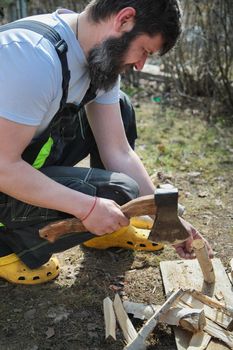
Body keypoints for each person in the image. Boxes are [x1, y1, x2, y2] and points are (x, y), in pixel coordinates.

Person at [0, 0, 213, 284]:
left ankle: (106, 230)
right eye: (144, 51)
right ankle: (7, 247)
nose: (140, 65)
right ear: (124, 20)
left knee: (120, 106)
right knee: (118, 192)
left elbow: (118, 151)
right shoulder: (32, 57)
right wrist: (86, 207)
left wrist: (167, 219)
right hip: (5, 168)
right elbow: (3, 165)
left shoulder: (96, 59)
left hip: (18, 157)